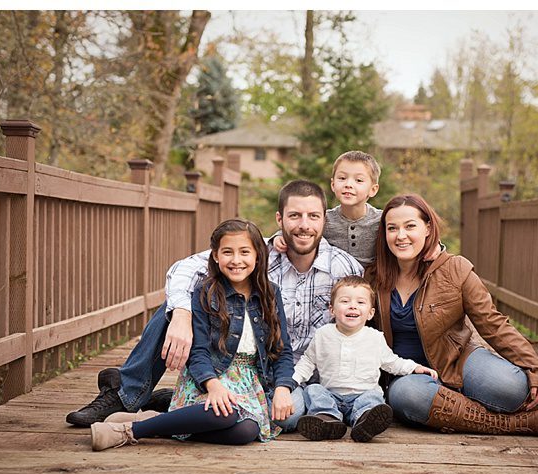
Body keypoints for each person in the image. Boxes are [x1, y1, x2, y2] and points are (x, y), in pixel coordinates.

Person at [66, 180, 363, 430]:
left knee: (285, 419)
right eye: (295, 216)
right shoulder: (257, 255)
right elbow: (183, 270)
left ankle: (171, 399)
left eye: (313, 216)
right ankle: (126, 393)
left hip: (291, 376)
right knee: (175, 307)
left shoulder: (344, 268)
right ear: (279, 219)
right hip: (231, 364)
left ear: (325, 219)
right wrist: (182, 315)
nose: (304, 226)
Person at [368, 194, 538, 436]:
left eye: (410, 226)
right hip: (406, 373)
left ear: (428, 228)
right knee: (405, 396)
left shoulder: (455, 269)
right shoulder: (372, 278)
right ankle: (516, 423)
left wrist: (536, 368)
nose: (400, 235)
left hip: (457, 360)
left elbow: (492, 322)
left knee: (509, 388)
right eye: (392, 228)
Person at [90, 219, 296, 450]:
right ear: (216, 256)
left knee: (246, 431)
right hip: (208, 378)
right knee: (225, 415)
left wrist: (282, 388)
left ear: (258, 255)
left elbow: (282, 350)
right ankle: (127, 431)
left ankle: (158, 423)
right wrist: (213, 386)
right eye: (228, 252)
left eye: (245, 252)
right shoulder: (205, 293)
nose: (236, 260)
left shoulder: (270, 294)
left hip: (250, 384)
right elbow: (197, 353)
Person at [293, 276, 438, 442]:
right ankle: (327, 419)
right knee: (313, 390)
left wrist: (415, 368)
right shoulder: (323, 335)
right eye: (345, 301)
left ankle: (365, 420)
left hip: (362, 395)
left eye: (360, 302)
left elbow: (392, 362)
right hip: (331, 396)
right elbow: (307, 362)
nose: (353, 305)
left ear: (370, 313)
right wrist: (292, 381)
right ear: (331, 310)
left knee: (374, 396)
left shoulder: (374, 337)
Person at [275, 151, 382, 269]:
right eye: (342, 178)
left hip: (373, 283)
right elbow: (297, 229)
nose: (348, 184)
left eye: (359, 180)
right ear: (333, 184)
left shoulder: (381, 221)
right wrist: (278, 237)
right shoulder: (324, 220)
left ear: (373, 189)